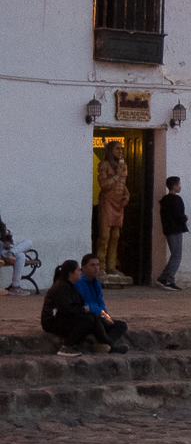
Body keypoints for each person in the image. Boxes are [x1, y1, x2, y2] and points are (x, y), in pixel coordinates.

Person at [40, 260, 113, 354]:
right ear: (71, 273)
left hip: (63, 317)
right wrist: (83, 309)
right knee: (88, 320)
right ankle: (66, 347)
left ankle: (107, 344)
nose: (80, 273)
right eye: (78, 271)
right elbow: (65, 309)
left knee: (94, 317)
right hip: (52, 321)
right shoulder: (61, 287)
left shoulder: (71, 286)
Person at [73, 254, 129, 352]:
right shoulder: (79, 282)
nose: (96, 268)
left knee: (121, 325)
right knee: (98, 322)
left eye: (97, 265)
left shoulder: (97, 283)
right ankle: (111, 347)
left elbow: (100, 301)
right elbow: (83, 303)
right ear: (84, 267)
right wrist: (99, 311)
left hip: (99, 314)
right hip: (88, 316)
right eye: (92, 265)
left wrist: (106, 315)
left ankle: (105, 344)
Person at [95, 142, 129, 273]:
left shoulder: (123, 166)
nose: (120, 151)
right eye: (117, 148)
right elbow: (104, 185)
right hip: (107, 201)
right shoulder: (104, 165)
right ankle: (101, 266)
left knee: (115, 235)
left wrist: (127, 195)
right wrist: (117, 175)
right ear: (110, 150)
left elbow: (123, 183)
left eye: (122, 148)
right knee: (104, 235)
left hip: (118, 202)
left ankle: (111, 266)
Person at [157, 176, 187, 290]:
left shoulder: (164, 200)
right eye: (179, 184)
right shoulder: (176, 200)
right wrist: (185, 218)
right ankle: (168, 279)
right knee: (176, 255)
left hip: (168, 230)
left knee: (175, 254)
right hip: (176, 229)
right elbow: (178, 215)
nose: (180, 186)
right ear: (174, 187)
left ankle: (164, 276)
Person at [1, 211, 30, 295]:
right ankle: (11, 253)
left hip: (8, 251)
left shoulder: (2, 225)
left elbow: (7, 235)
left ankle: (15, 286)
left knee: (22, 253)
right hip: (1, 253)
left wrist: (9, 241)